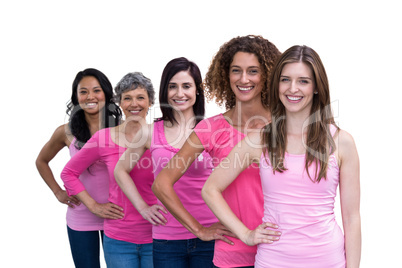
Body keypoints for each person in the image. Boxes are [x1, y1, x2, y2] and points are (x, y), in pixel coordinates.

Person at [202, 45, 361, 267]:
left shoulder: (341, 142)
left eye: (303, 81)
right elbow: (210, 189)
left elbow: (351, 219)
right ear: (277, 84)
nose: (292, 89)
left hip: (327, 260)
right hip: (273, 261)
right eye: (285, 80)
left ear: (316, 87)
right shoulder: (259, 140)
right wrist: (246, 234)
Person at [152, 35, 282, 268]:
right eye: (236, 70)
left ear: (267, 75)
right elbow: (162, 183)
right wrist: (199, 230)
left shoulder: (285, 125)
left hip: (280, 247)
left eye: (253, 71)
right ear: (225, 74)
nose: (244, 79)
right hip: (233, 251)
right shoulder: (210, 128)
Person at [115, 57, 224, 268]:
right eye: (172, 86)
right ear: (165, 91)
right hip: (167, 238)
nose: (179, 93)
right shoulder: (149, 131)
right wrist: (143, 207)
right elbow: (121, 170)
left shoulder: (214, 129)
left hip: (210, 234)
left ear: (198, 90)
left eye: (186, 86)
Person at [61, 72, 163, 268]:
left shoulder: (162, 135)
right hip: (119, 240)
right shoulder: (103, 138)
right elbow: (68, 173)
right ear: (119, 102)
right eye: (127, 98)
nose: (134, 104)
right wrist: (93, 205)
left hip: (157, 234)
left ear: (150, 102)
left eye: (141, 97)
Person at [35, 68, 121, 268]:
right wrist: (58, 192)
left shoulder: (123, 129)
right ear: (76, 97)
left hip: (117, 215)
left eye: (96, 90)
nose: (90, 96)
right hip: (81, 216)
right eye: (83, 91)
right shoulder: (66, 131)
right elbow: (41, 161)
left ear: (107, 95)